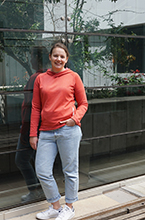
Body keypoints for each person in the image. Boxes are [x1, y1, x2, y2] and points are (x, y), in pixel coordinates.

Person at [30, 42, 88, 220]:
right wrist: (33, 134)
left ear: (67, 59)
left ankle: (69, 207)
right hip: (46, 132)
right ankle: (55, 206)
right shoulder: (41, 78)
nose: (58, 59)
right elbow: (36, 107)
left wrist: (75, 119)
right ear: (50, 57)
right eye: (55, 55)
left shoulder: (73, 77)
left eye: (62, 56)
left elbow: (83, 104)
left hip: (68, 130)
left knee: (70, 171)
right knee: (42, 171)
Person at [15, 46, 48, 202]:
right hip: (44, 129)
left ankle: (35, 191)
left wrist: (27, 133)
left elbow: (31, 108)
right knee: (39, 161)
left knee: (21, 159)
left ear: (37, 58)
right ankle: (41, 190)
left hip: (32, 129)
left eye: (32, 56)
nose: (30, 59)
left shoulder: (36, 77)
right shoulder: (49, 76)